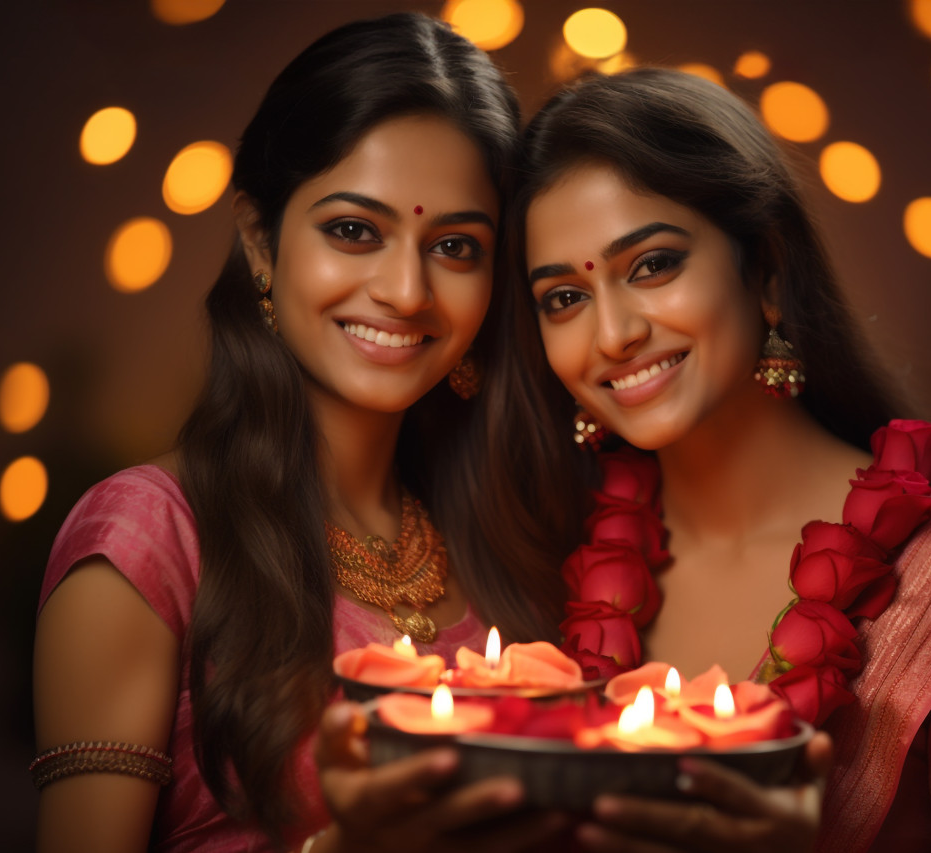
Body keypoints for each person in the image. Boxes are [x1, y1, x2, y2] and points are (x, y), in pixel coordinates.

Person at [491, 68, 931, 852]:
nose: (614, 332)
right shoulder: (541, 560)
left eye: (653, 264)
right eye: (564, 297)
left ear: (765, 270)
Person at [31, 14, 569, 852]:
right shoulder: (146, 544)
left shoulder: (509, 537)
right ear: (259, 241)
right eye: (354, 230)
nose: (404, 290)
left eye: (455, 245)